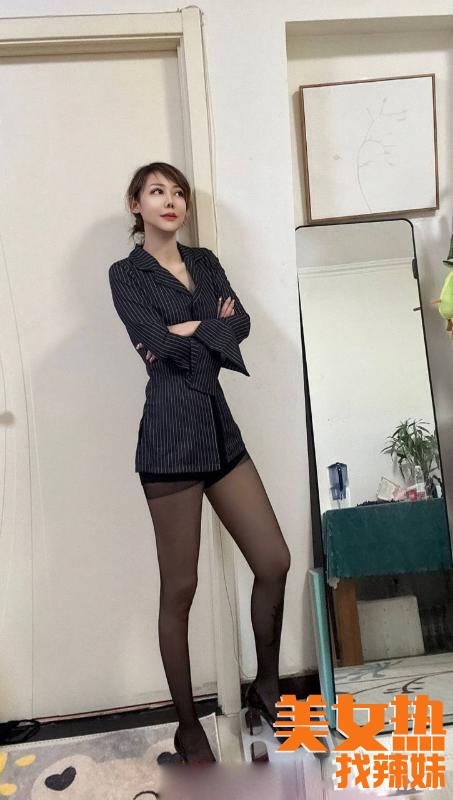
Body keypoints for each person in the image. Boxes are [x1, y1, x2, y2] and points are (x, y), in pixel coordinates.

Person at [108, 161, 291, 765]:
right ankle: (188, 728)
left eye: (179, 192)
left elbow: (242, 324)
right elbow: (156, 341)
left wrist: (191, 328)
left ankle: (267, 686)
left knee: (273, 560)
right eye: (157, 191)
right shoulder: (125, 274)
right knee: (180, 589)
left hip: (219, 429)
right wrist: (208, 327)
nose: (171, 200)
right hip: (168, 440)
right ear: (136, 204)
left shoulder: (205, 261)